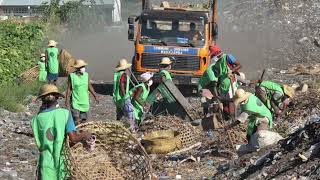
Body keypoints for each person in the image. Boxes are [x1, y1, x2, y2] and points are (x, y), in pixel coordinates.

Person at [32, 84, 92, 180]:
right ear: (57, 97)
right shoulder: (65, 114)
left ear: (42, 99)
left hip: (45, 162)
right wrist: (85, 135)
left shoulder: (36, 119)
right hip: (61, 161)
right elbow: (73, 139)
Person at [65, 59, 99, 125]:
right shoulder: (72, 76)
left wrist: (95, 96)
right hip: (75, 100)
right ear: (77, 68)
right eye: (82, 67)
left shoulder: (86, 75)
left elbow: (89, 86)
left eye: (84, 66)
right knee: (76, 120)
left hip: (84, 100)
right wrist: (66, 100)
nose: (84, 68)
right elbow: (69, 88)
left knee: (84, 120)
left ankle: (82, 132)